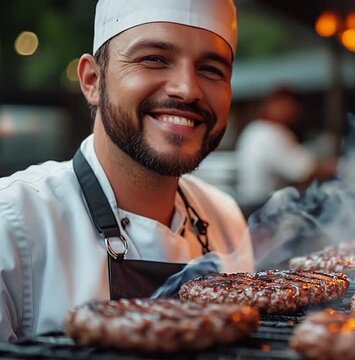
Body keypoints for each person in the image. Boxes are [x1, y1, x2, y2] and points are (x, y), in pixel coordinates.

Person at [0, 0, 253, 342]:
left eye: (211, 70)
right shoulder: (13, 223)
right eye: (154, 59)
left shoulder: (225, 218)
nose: (188, 89)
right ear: (92, 80)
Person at [236, 88, 336, 209]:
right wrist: (338, 167)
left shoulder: (254, 128)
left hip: (253, 203)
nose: (292, 111)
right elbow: (305, 170)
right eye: (286, 105)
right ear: (271, 105)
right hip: (263, 207)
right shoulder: (270, 131)